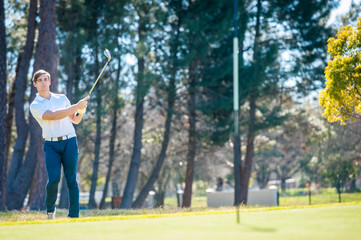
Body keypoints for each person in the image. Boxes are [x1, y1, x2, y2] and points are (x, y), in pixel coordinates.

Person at [30, 69, 89, 219]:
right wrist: (76, 106)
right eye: (40, 80)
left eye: (45, 79)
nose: (43, 82)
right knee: (54, 179)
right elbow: (53, 116)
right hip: (51, 145)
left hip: (69, 141)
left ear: (49, 82)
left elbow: (74, 120)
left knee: (71, 179)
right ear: (35, 84)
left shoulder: (62, 98)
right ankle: (51, 210)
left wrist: (80, 111)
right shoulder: (35, 105)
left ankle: (74, 216)